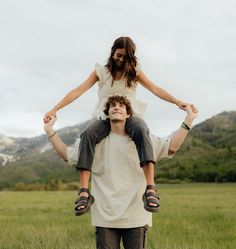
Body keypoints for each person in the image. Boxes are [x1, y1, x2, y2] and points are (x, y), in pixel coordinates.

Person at [44, 95, 198, 249]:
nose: (116, 108)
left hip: (136, 217)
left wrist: (188, 120)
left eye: (121, 106)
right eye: (112, 106)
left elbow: (172, 146)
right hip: (105, 219)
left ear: (128, 114)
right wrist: (50, 131)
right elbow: (66, 154)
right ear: (106, 114)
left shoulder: (143, 139)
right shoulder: (95, 143)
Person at [43, 36, 189, 215]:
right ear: (112, 52)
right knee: (88, 134)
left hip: (130, 115)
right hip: (105, 116)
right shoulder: (101, 72)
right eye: (118, 55)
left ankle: (150, 188)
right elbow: (78, 91)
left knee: (142, 129)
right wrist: (55, 109)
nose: (120, 59)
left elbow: (155, 89)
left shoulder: (134, 71)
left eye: (124, 57)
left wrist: (177, 101)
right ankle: (83, 192)